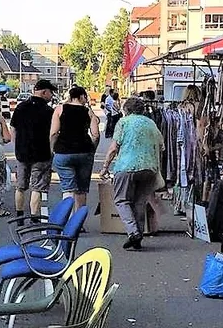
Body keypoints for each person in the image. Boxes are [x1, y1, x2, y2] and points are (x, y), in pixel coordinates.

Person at [99, 97, 163, 250]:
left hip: (126, 166)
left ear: (126, 109)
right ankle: (138, 236)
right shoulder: (151, 124)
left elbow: (114, 148)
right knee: (140, 202)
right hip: (149, 168)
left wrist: (105, 167)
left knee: (122, 200)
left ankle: (133, 232)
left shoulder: (124, 122)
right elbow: (161, 146)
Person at [11, 79, 57, 223]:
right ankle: (34, 217)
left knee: (20, 186)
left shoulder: (20, 108)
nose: (51, 95)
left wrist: (17, 145)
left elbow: (14, 129)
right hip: (41, 153)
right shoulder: (49, 111)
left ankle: (19, 216)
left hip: (22, 153)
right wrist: (52, 150)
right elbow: (53, 133)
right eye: (50, 92)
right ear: (44, 92)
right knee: (37, 187)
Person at [50, 86, 100, 213]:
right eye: (85, 97)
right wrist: (92, 149)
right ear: (81, 96)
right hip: (84, 152)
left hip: (63, 152)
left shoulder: (59, 109)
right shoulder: (88, 111)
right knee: (81, 189)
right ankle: (78, 222)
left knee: (68, 188)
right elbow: (96, 135)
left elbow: (54, 133)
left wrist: (52, 149)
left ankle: (66, 219)